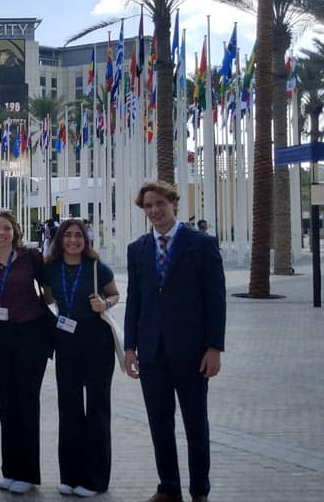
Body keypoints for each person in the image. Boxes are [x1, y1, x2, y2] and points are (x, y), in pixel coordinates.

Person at [124, 181, 225, 502]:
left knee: (196, 424)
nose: (154, 211)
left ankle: (199, 491)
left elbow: (216, 299)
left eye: (159, 204)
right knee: (159, 423)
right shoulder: (137, 249)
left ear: (173, 204)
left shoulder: (202, 245)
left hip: (192, 352)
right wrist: (129, 347)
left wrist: (214, 347)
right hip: (152, 352)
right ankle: (168, 487)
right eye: (148, 206)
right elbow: (134, 300)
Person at [0, 211, 51, 495]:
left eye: (6, 228)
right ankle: (11, 469)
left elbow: (49, 291)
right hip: (0, 338)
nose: (1, 233)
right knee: (6, 404)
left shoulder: (31, 257)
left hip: (31, 335)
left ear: (14, 231)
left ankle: (28, 473)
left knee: (27, 403)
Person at [42, 219, 119, 498]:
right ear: (59, 239)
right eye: (68, 235)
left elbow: (115, 295)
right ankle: (70, 475)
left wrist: (104, 303)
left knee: (97, 407)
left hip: (97, 341)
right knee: (69, 407)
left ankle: (95, 479)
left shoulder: (98, 267)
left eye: (79, 236)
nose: (73, 240)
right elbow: (48, 298)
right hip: (66, 342)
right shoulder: (50, 269)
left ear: (86, 240)